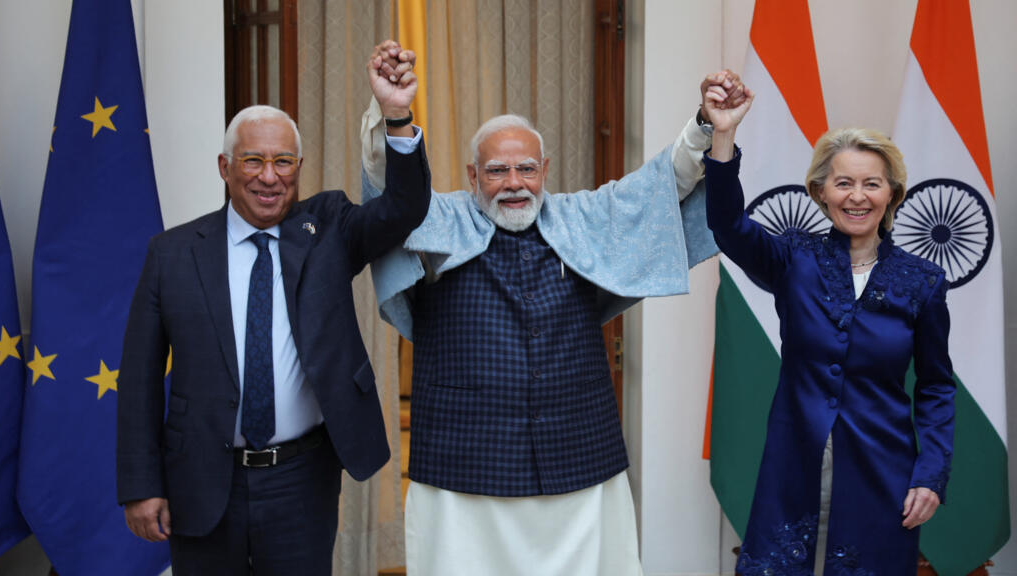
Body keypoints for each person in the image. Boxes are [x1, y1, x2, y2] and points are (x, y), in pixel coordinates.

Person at [361, 41, 746, 575]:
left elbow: (663, 185)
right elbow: (390, 187)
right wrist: (395, 114)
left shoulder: (582, 216)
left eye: (526, 169)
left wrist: (706, 124)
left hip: (578, 455)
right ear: (472, 176)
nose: (514, 184)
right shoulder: (437, 216)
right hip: (463, 461)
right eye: (497, 171)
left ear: (544, 169)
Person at [115, 45, 430, 575]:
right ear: (225, 167)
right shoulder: (172, 254)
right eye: (253, 161)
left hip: (300, 478)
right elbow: (139, 379)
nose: (269, 176)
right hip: (201, 477)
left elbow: (404, 208)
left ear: (298, 168)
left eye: (283, 161)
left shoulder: (328, 228)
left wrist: (396, 115)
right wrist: (141, 485)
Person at [703, 86, 954, 575]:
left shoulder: (922, 281)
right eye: (843, 183)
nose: (857, 196)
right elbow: (727, 224)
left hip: (882, 471)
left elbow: (937, 386)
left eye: (872, 184)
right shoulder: (793, 259)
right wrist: (724, 134)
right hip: (793, 463)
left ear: (892, 194)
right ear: (820, 192)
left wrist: (931, 474)